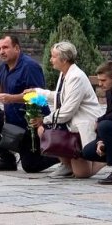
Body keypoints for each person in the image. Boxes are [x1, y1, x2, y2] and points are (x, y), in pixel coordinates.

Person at [0, 35, 57, 174]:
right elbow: (0, 91)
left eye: (5, 47)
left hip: (32, 120)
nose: (1, 52)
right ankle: (7, 159)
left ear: (17, 48)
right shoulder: (4, 67)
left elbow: (38, 97)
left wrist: (12, 98)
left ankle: (61, 155)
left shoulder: (30, 67)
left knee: (30, 166)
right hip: (12, 116)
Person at [27, 42, 104, 180]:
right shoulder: (64, 74)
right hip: (71, 123)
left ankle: (107, 158)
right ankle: (67, 165)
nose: (50, 60)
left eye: (53, 56)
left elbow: (67, 111)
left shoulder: (76, 76)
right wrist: (37, 92)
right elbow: (59, 96)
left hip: (83, 123)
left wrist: (44, 120)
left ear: (64, 59)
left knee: (81, 174)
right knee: (43, 129)